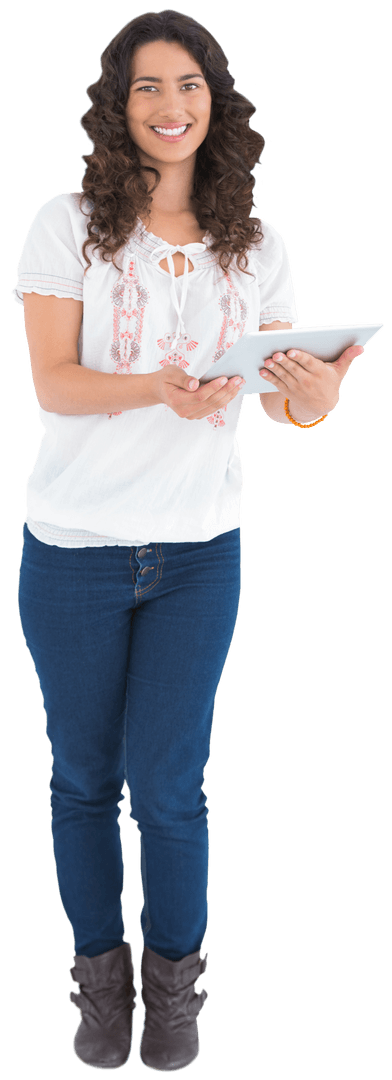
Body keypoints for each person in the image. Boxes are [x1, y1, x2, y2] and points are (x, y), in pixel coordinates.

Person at [13, 10, 364, 1073]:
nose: (171, 107)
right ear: (117, 107)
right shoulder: (67, 224)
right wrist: (155, 391)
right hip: (74, 549)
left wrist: (316, 399)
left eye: (189, 86)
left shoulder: (257, 245)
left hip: (199, 552)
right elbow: (54, 383)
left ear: (217, 102)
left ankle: (174, 993)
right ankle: (98, 984)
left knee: (170, 787)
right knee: (83, 780)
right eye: (147, 88)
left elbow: (282, 401)